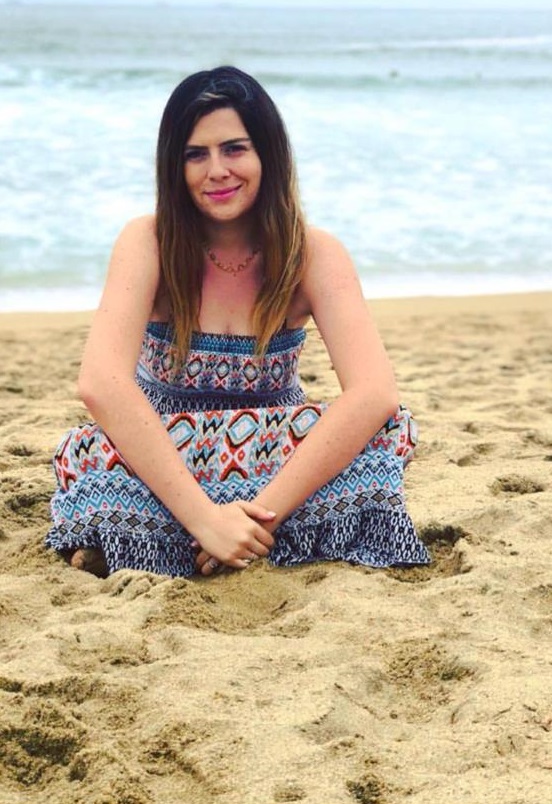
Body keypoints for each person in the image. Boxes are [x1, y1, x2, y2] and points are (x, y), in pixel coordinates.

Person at [47, 66, 429, 578]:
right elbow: (101, 383)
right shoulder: (148, 241)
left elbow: (374, 392)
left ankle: (202, 541)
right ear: (174, 165)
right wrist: (205, 518)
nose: (217, 171)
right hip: (165, 451)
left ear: (266, 153)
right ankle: (219, 536)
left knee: (390, 429)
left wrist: (257, 517)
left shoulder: (313, 253)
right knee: (89, 452)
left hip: (274, 456)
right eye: (195, 155)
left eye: (234, 149)